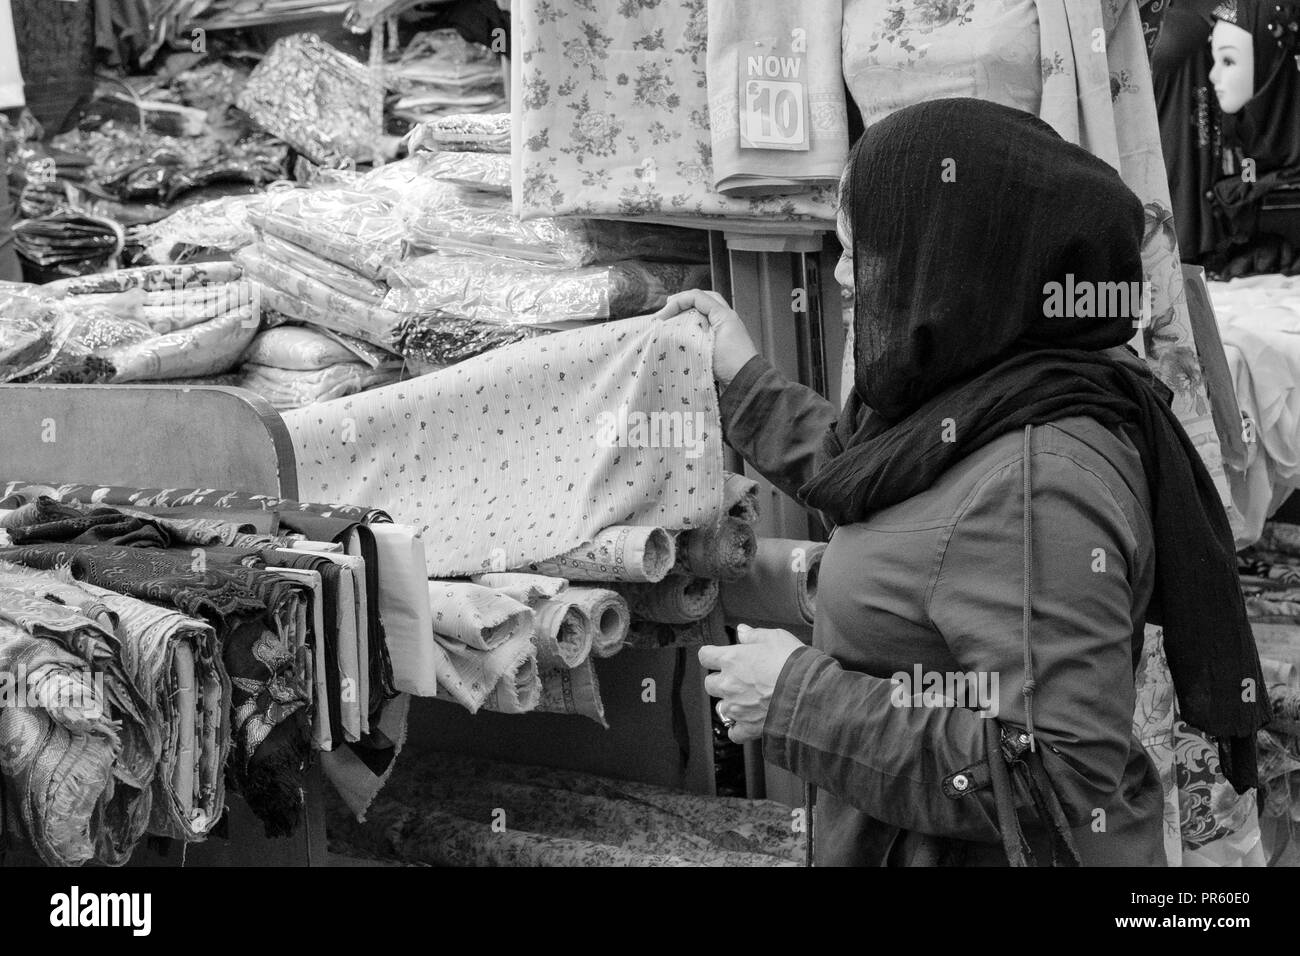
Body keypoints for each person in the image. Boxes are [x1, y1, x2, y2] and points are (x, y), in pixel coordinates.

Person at [654, 98, 1270, 866]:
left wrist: (796, 703)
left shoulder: (1039, 484)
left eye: (864, 246)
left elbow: (1058, 769)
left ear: (952, 256)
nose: (844, 273)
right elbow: (903, 487)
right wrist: (743, 381)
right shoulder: (1004, 386)